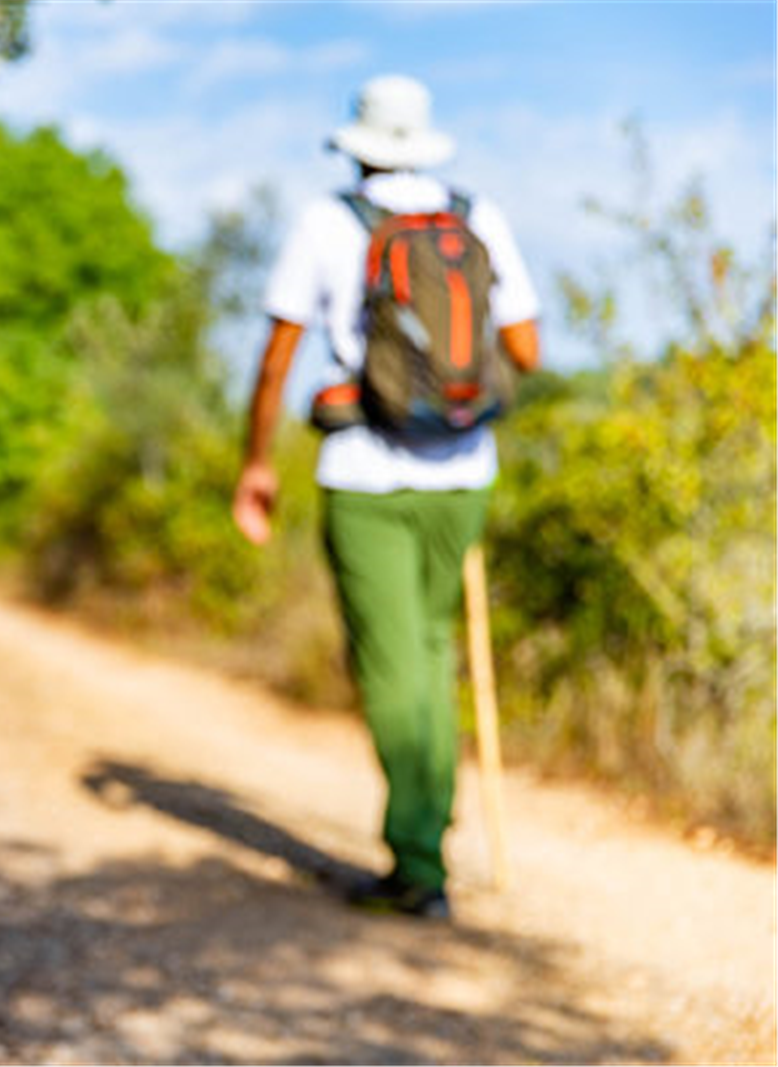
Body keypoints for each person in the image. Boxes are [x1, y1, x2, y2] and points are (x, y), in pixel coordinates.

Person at [233, 74, 540, 919]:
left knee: (392, 664)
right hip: (464, 470)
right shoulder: (478, 216)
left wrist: (256, 462)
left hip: (366, 475)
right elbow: (527, 344)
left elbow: (276, 355)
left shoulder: (328, 222)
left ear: (356, 145)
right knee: (432, 656)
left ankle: (417, 863)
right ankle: (428, 833)